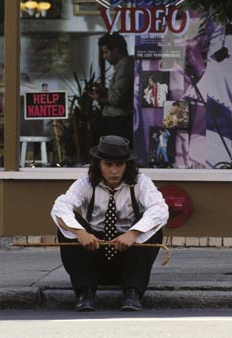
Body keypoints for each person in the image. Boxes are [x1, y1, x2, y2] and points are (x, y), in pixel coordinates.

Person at [51, 135, 169, 312]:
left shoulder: (141, 183)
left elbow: (160, 209)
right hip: (93, 254)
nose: (114, 171)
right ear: (98, 164)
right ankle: (86, 293)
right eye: (108, 164)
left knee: (152, 226)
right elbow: (60, 207)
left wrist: (133, 233)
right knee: (67, 226)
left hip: (128, 256)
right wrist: (80, 233)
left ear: (127, 165)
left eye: (119, 165)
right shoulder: (85, 183)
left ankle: (132, 293)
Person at [88, 32, 134, 146]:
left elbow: (117, 99)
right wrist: (105, 91)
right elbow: (118, 93)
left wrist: (99, 98)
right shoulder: (122, 67)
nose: (104, 56)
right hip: (116, 121)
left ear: (116, 50)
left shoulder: (125, 68)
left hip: (118, 122)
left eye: (106, 52)